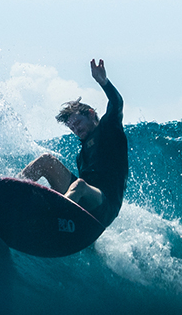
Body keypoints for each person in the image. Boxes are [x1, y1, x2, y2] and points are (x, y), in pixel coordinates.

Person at [21, 59, 128, 227]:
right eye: (72, 128)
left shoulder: (109, 129)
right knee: (46, 161)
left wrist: (104, 83)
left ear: (91, 114)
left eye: (78, 123)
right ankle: (10, 193)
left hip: (106, 205)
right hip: (85, 206)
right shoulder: (82, 155)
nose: (76, 130)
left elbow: (117, 103)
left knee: (80, 185)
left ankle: (52, 219)